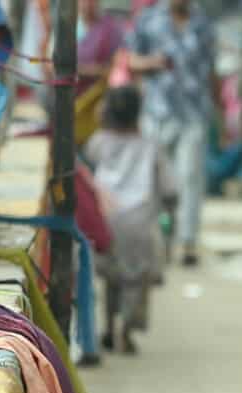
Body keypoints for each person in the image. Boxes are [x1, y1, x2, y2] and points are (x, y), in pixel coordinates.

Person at [84, 85, 175, 354]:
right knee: (135, 281)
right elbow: (170, 189)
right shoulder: (151, 146)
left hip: (105, 221)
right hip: (139, 223)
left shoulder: (98, 142)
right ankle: (127, 331)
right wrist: (169, 213)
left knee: (111, 277)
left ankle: (108, 328)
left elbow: (87, 166)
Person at [127, 0, 217, 266]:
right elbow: (131, 61)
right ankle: (158, 240)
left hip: (194, 114)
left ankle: (187, 241)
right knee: (154, 181)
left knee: (189, 177)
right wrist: (152, 63)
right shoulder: (149, 20)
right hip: (157, 113)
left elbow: (212, 72)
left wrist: (220, 118)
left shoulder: (203, 23)